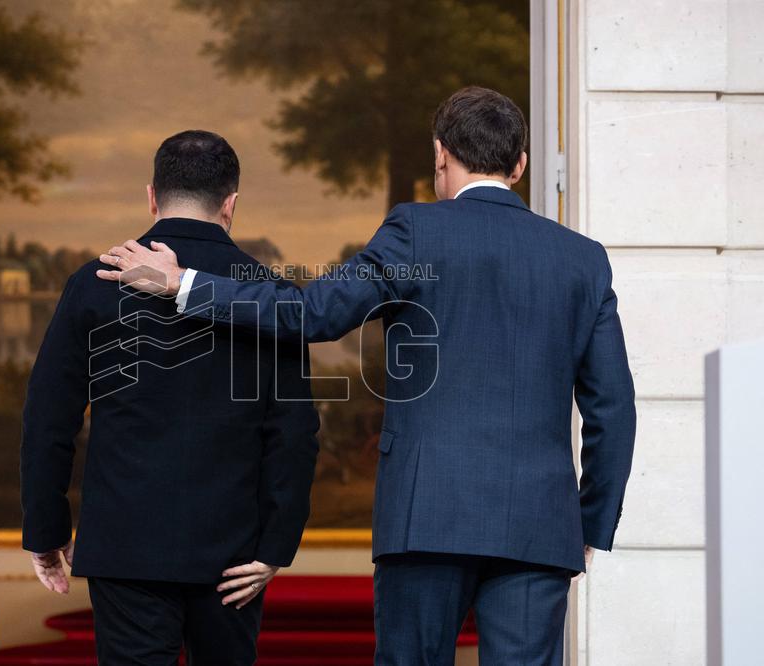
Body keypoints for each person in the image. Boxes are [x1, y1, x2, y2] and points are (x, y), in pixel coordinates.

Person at [96, 87, 637, 665]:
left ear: (439, 154)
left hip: (424, 519)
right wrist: (586, 524)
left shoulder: (414, 232)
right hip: (537, 527)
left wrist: (184, 285)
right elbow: (614, 410)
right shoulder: (582, 258)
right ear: (521, 165)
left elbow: (311, 313)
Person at [21, 130, 320, 665]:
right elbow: (294, 434)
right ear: (230, 205)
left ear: (153, 197)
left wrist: (47, 530)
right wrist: (275, 547)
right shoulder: (270, 295)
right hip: (235, 556)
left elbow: (48, 420)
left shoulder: (94, 283)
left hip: (125, 548)